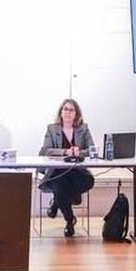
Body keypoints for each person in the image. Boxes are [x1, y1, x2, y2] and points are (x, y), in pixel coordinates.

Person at [39, 98, 96, 237]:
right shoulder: (52, 129)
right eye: (65, 109)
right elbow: (46, 150)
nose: (68, 112)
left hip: (77, 171)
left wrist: (79, 152)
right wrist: (65, 152)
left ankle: (57, 202)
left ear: (76, 114)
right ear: (61, 112)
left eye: (71, 110)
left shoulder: (83, 129)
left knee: (89, 181)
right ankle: (70, 221)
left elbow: (92, 150)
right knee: (59, 185)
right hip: (57, 172)